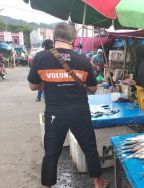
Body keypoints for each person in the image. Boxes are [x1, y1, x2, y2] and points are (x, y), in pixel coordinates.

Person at [27, 22, 107, 188]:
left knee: (51, 151)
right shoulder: (83, 59)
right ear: (74, 39)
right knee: (89, 147)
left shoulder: (41, 58)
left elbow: (33, 86)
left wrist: (51, 83)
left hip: (55, 112)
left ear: (54, 37)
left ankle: (47, 185)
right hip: (80, 111)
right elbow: (92, 88)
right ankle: (97, 182)